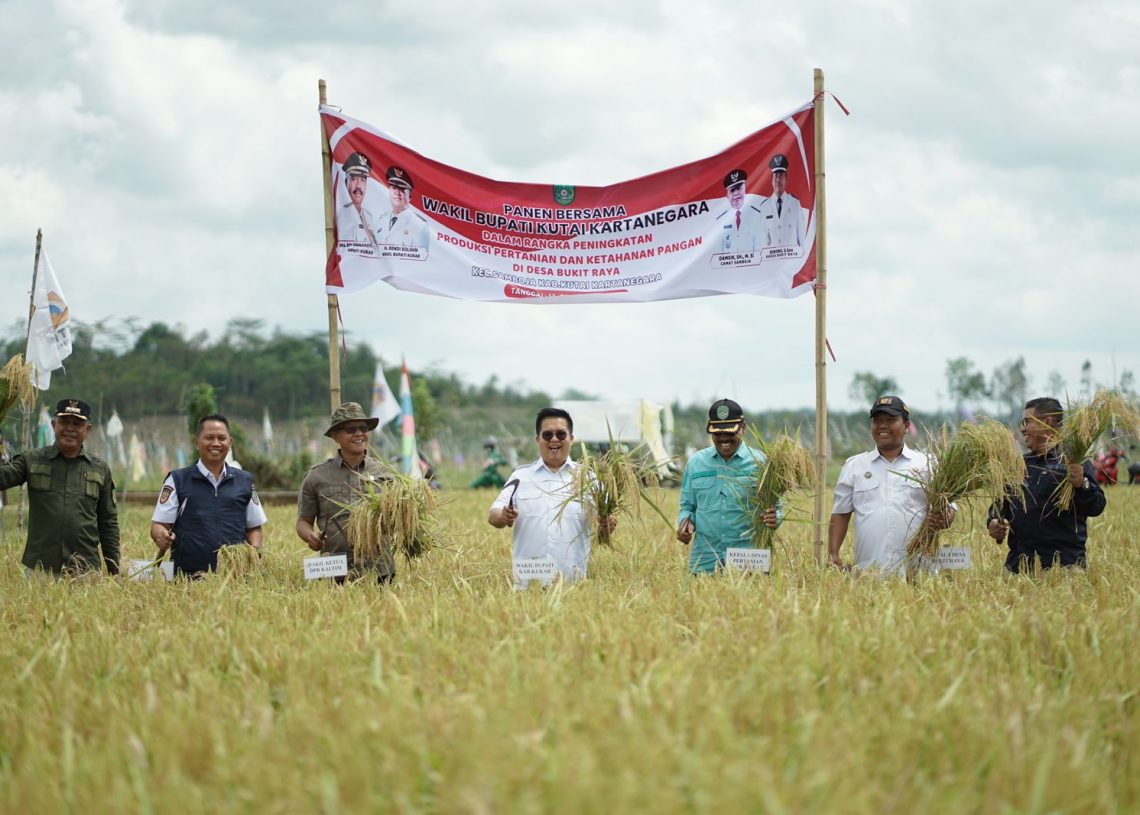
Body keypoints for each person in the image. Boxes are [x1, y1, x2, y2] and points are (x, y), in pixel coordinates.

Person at [488, 407, 615, 587]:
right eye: (547, 435)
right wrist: (503, 516)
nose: (554, 439)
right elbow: (493, 515)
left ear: (571, 439)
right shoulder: (520, 477)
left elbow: (605, 525)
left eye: (561, 434)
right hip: (528, 584)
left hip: (572, 586)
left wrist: (608, 524)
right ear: (538, 439)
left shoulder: (590, 478)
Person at [829, 395, 953, 575]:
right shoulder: (855, 466)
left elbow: (949, 509)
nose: (882, 426)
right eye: (877, 421)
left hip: (919, 572)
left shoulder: (928, 464)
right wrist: (833, 554)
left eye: (891, 420)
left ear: (906, 426)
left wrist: (944, 517)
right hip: (869, 573)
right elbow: (840, 514)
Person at [0, 399, 119, 578]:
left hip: (85, 570)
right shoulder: (31, 460)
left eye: (77, 423)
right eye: (64, 422)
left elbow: (108, 522)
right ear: (54, 425)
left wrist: (114, 569)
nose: (70, 428)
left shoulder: (99, 469)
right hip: (40, 569)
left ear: (88, 429)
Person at [988, 397, 1106, 572]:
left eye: (1027, 422)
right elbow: (998, 507)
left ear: (1047, 422)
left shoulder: (1074, 462)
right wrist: (992, 523)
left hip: (1064, 569)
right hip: (1018, 569)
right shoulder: (1018, 465)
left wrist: (1082, 483)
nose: (1023, 428)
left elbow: (1097, 506)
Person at [150, 413, 267, 577]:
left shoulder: (244, 481)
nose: (216, 443)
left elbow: (255, 527)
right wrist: (161, 536)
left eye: (222, 438)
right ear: (197, 442)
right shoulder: (177, 480)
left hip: (236, 578)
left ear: (230, 443)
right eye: (209, 438)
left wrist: (252, 553)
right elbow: (158, 525)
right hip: (186, 579)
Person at [676, 399, 780, 575]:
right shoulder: (696, 463)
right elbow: (687, 507)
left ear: (743, 428)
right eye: (718, 432)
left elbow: (776, 508)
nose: (724, 437)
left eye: (730, 432)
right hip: (705, 561)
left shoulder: (761, 463)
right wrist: (685, 525)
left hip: (749, 561)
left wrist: (775, 517)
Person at [296, 402, 395, 583]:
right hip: (334, 569)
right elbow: (303, 522)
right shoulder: (316, 476)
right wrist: (311, 536)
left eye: (363, 428)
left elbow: (398, 518)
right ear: (336, 436)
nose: (359, 433)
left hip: (380, 569)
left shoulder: (386, 473)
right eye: (351, 429)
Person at [755, 154, 805, 248]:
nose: (778, 180)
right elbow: (762, 242)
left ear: (786, 179)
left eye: (781, 176)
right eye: (775, 176)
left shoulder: (795, 204)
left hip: (791, 261)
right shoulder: (764, 207)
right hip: (772, 260)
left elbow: (802, 240)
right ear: (771, 181)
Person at [373, 166, 430, 248]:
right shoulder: (381, 220)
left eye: (402, 190)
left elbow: (423, 257)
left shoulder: (420, 225)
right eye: (394, 188)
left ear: (410, 197)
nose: (397, 193)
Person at [335, 152, 379, 245]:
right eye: (354, 179)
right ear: (346, 181)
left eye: (363, 180)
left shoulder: (369, 217)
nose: (358, 185)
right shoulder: (339, 214)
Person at [716, 169, 762, 252]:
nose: (736, 193)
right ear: (727, 195)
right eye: (732, 190)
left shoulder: (758, 216)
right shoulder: (720, 221)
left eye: (739, 188)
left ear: (745, 189)